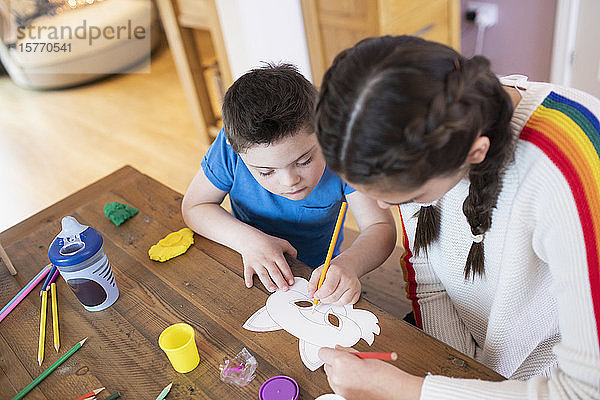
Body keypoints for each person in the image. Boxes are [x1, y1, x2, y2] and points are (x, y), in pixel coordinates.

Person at [315, 35, 600, 399]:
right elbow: (429, 278)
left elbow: (584, 390)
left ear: (475, 152)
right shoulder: (411, 138)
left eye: (408, 198)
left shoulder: (567, 169)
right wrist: (449, 370)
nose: (380, 208)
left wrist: (408, 389)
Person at [182, 63, 396, 304]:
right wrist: (248, 241)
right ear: (236, 150)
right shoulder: (230, 147)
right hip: (244, 256)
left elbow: (380, 226)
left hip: (317, 274)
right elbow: (194, 207)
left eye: (304, 161)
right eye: (266, 171)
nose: (290, 181)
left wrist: (349, 264)